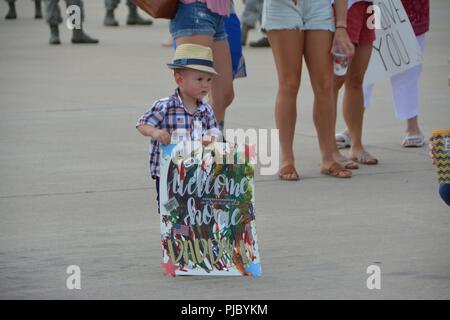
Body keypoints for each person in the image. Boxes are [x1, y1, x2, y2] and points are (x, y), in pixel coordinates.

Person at [262, 0, 355, 180]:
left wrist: (341, 26)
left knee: (325, 84)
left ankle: (328, 158)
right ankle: (287, 159)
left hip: (318, 5)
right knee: (289, 83)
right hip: (282, 6)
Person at [136, 44, 220, 212]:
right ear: (180, 79)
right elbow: (142, 123)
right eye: (199, 79)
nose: (205, 85)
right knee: (171, 210)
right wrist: (155, 132)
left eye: (209, 80)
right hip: (169, 175)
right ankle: (172, 233)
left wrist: (211, 138)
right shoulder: (165, 106)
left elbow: (214, 130)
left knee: (196, 209)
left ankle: (191, 236)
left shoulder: (206, 109)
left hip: (197, 173)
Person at [336, 0, 430, 149]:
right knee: (364, 65)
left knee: (409, 62)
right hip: (370, 4)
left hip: (409, 5)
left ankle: (412, 125)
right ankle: (353, 129)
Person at [170, 0, 234, 133]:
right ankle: (190, 149)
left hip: (217, 11)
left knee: (223, 96)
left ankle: (208, 146)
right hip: (195, 11)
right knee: (191, 95)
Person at [332, 0, 378, 170]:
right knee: (335, 81)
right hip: (344, 8)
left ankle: (356, 145)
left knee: (357, 79)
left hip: (369, 6)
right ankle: (329, 148)